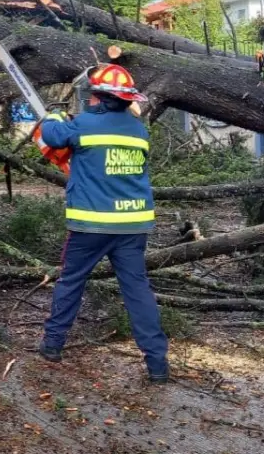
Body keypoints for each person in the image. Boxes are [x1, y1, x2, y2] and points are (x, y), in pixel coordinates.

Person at [36, 63, 170, 384]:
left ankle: (53, 345)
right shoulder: (139, 130)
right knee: (137, 290)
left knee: (71, 282)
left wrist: (55, 115)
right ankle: (157, 364)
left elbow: (51, 134)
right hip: (133, 225)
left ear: (97, 97)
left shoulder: (83, 124)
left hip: (91, 226)